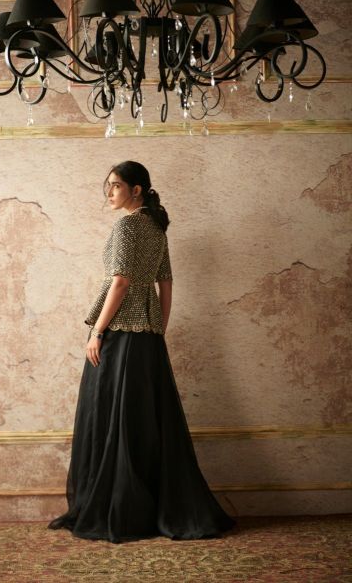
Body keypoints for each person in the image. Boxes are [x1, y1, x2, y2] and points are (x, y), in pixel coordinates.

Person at [47, 160, 236, 543]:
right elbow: (166, 283)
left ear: (136, 189)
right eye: (108, 186)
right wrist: (158, 328)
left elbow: (120, 282)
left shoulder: (128, 226)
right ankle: (147, 509)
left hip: (120, 334)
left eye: (116, 185)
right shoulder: (156, 228)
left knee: (114, 417)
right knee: (145, 420)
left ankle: (120, 510)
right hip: (148, 338)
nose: (109, 192)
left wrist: (97, 331)